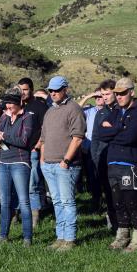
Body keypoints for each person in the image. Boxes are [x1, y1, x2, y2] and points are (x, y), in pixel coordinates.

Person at [96, 77, 137, 251]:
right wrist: (120, 128)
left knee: (132, 201)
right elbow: (100, 133)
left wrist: (113, 130)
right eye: (116, 94)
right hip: (112, 162)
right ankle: (122, 235)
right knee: (117, 201)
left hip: (130, 162)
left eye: (122, 93)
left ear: (131, 92)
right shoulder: (114, 111)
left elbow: (130, 137)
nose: (119, 97)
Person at [40, 75, 86, 251]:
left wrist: (66, 161)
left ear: (65, 89)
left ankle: (70, 238)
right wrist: (43, 160)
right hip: (49, 164)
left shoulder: (74, 109)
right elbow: (43, 138)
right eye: (51, 90)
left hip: (65, 165)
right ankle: (60, 237)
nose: (53, 93)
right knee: (57, 202)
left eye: (57, 90)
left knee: (67, 201)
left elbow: (78, 138)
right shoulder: (50, 111)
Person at [0, 88, 35, 245]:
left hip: (20, 163)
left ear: (20, 102)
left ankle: (27, 237)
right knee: (4, 201)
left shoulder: (27, 117)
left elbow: (23, 141)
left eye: (11, 103)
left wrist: (2, 136)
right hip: (3, 162)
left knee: (23, 201)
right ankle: (3, 235)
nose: (8, 106)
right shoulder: (4, 117)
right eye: (6, 103)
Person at [18, 77, 49, 227]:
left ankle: (35, 217)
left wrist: (38, 145)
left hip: (33, 151)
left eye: (25, 89)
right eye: (20, 90)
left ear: (31, 89)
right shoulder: (16, 105)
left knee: (32, 185)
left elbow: (45, 128)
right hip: (17, 152)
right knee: (17, 184)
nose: (22, 93)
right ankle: (17, 215)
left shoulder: (39, 106)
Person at [91, 79, 119, 230]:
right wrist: (95, 157)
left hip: (119, 157)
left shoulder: (121, 110)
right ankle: (113, 223)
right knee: (108, 192)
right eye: (103, 94)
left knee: (121, 193)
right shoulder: (100, 113)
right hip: (102, 157)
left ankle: (125, 224)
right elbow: (96, 136)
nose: (105, 97)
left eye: (107, 94)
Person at [78, 88, 105, 213]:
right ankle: (96, 202)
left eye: (101, 96)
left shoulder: (110, 111)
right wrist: (90, 95)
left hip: (105, 149)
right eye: (97, 97)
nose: (99, 98)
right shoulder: (89, 111)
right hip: (89, 149)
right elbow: (77, 108)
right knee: (92, 177)